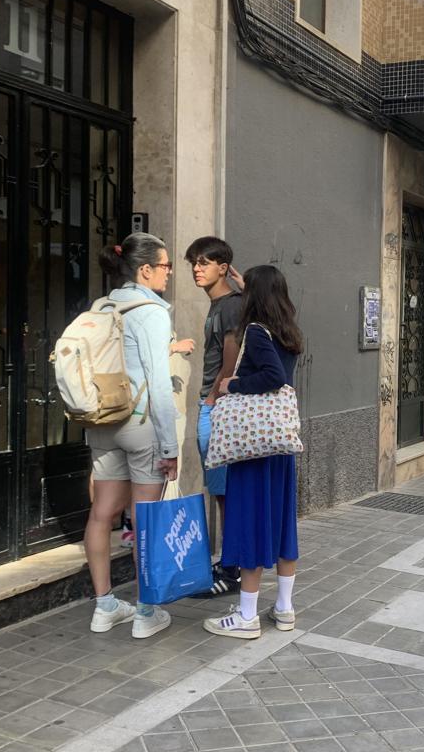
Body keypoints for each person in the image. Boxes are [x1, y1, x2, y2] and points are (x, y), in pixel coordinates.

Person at [83, 232, 180, 639]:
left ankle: (104, 606)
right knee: (145, 520)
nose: (169, 274)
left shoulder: (102, 306)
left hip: (103, 421)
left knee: (102, 513)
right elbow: (159, 383)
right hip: (141, 424)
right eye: (165, 266)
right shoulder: (152, 312)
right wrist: (170, 446)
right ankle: (145, 611)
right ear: (145, 270)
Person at [204, 265, 302, 639]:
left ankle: (246, 615)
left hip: (253, 447)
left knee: (249, 522)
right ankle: (284, 607)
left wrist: (232, 385)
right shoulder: (287, 331)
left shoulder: (257, 333)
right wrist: (253, 285)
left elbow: (272, 377)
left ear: (254, 298)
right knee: (280, 523)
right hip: (278, 444)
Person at [184, 236, 246, 598]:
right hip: (215, 406)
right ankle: (229, 563)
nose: (197, 268)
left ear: (223, 267)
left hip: (217, 408)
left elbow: (231, 353)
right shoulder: (222, 304)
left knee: (225, 494)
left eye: (205, 262)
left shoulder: (230, 306)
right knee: (222, 491)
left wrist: (211, 398)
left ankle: (232, 570)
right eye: (194, 262)